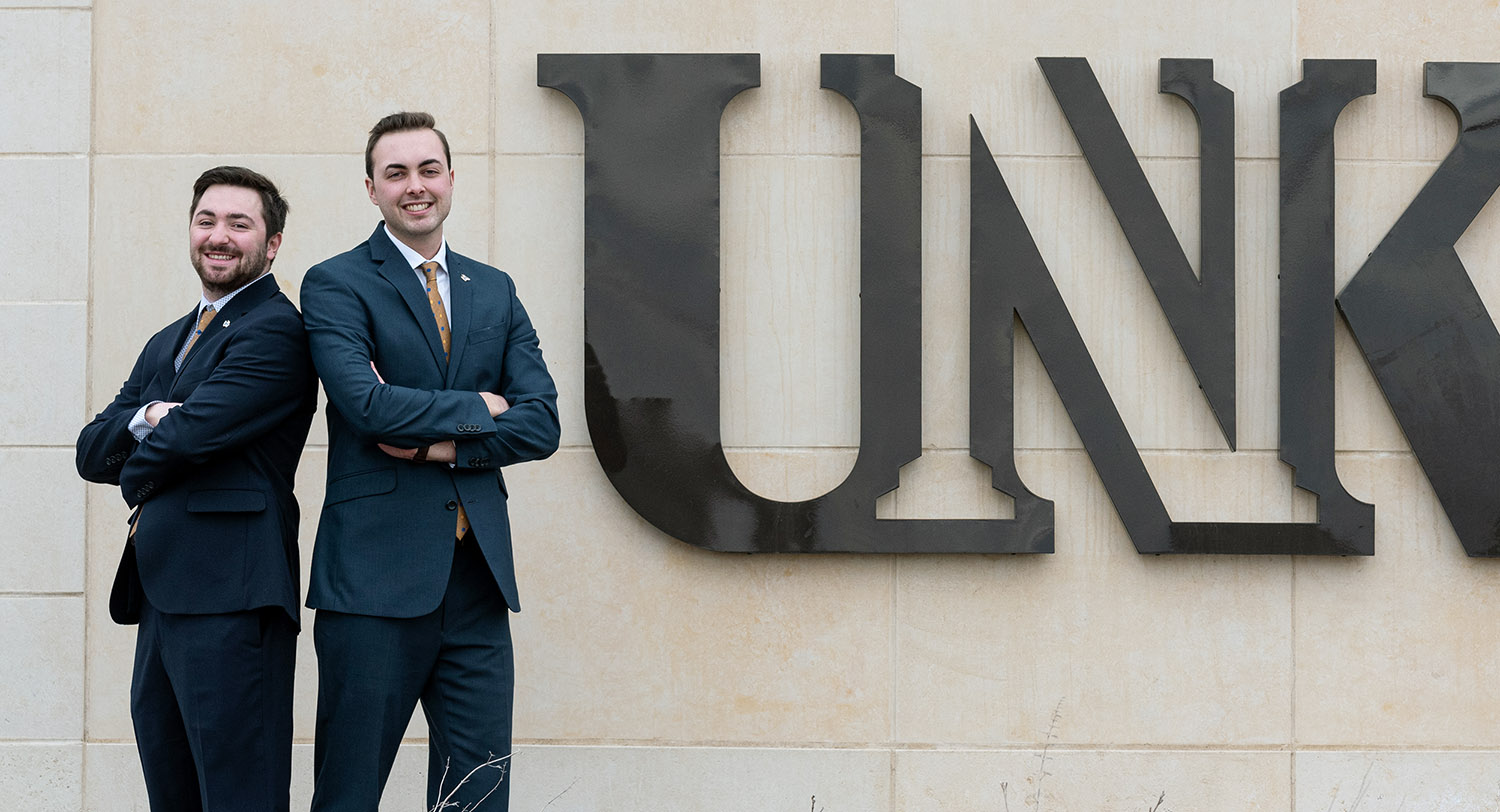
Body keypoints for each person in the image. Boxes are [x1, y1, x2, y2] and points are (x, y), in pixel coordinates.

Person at [300, 111, 560, 811]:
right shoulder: (335, 283)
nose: (415, 186)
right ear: (371, 188)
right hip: (372, 582)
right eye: (396, 173)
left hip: (477, 583)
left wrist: (439, 443)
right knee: (348, 795)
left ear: (450, 178)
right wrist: (484, 405)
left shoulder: (494, 288)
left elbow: (542, 423)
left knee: (477, 796)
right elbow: (367, 407)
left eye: (428, 170)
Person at [75, 166, 316, 812]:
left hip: (233, 596)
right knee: (172, 794)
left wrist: (145, 447)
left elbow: (192, 437)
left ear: (272, 243)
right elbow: (91, 449)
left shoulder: (278, 331)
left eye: (240, 223)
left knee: (240, 794)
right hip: (162, 594)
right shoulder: (171, 340)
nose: (219, 235)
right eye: (206, 220)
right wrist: (153, 415)